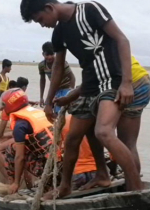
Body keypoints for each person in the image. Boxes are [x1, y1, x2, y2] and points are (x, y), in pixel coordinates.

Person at [20, 0, 144, 198]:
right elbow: (58, 67)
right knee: (72, 138)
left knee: (103, 131)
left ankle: (137, 191)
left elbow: (122, 40)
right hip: (89, 87)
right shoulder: (59, 33)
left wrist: (127, 83)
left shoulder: (89, 10)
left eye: (40, 19)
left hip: (111, 82)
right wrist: (50, 101)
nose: (42, 24)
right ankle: (67, 186)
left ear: (49, 7)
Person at [0, 89, 99, 194]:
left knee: (11, 150)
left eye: (5, 105)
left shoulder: (20, 125)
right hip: (68, 162)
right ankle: (44, 184)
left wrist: (16, 182)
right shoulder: (38, 113)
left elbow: (19, 157)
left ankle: (15, 185)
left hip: (57, 169)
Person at [39, 41, 75, 113]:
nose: (49, 57)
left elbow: (72, 77)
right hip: (55, 89)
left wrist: (70, 95)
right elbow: (42, 80)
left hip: (66, 87)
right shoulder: (42, 65)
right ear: (43, 54)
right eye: (47, 55)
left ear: (55, 53)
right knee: (52, 109)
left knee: (64, 109)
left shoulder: (62, 63)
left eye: (51, 54)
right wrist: (41, 97)